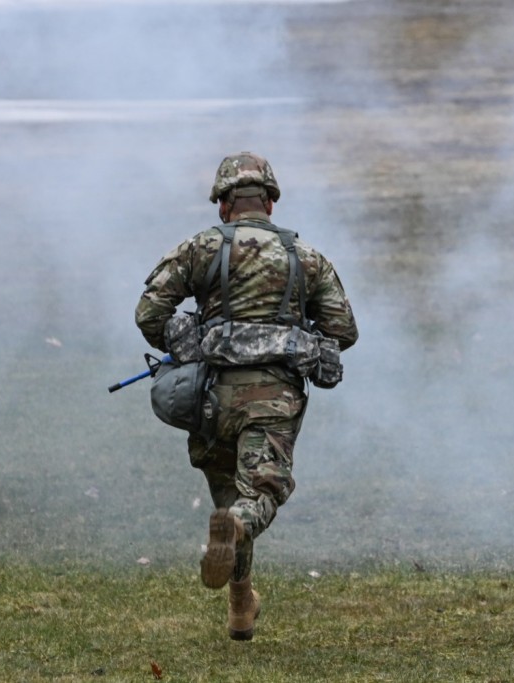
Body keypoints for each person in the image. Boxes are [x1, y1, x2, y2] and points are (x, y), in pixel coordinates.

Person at [134, 152, 358, 641]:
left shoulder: (199, 249)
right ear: (271, 204)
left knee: (229, 496)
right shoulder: (307, 257)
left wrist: (189, 341)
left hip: (212, 398)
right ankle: (234, 529)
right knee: (258, 494)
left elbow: (150, 312)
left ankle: (240, 605)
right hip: (272, 400)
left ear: (223, 206)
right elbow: (344, 329)